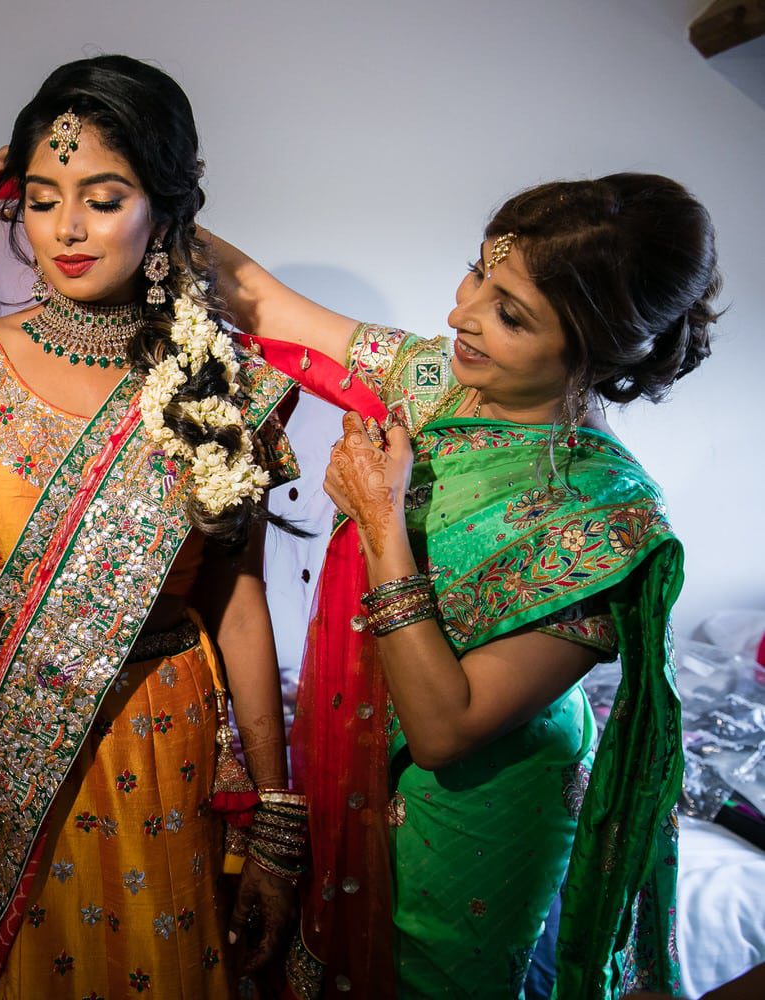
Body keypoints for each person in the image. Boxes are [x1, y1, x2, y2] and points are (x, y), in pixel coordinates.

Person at [208, 173, 716, 997]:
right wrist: (138, 191)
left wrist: (382, 527)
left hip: (473, 813)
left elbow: (447, 727)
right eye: (478, 274)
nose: (461, 315)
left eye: (509, 314)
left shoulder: (605, 516)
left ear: (587, 350)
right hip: (357, 768)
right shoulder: (435, 382)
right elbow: (255, 295)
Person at [0, 55, 304, 999]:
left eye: (103, 197)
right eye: (42, 198)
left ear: (163, 209)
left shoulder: (216, 380)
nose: (67, 229)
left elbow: (239, 599)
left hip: (164, 740)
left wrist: (278, 817)